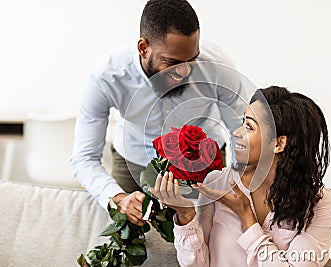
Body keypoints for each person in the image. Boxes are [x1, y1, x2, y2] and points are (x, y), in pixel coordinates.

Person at [70, 0, 249, 228]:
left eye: (192, 60)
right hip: (132, 163)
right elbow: (84, 158)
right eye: (172, 62)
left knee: (208, 242)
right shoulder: (105, 78)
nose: (184, 71)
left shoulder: (219, 68)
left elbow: (242, 134)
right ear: (143, 48)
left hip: (204, 167)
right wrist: (116, 197)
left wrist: (236, 182)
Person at [149, 86, 331, 266]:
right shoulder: (217, 183)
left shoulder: (321, 204)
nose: (236, 132)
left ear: (278, 144)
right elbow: (197, 264)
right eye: (242, 122)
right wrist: (186, 215)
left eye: (249, 127)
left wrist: (246, 217)